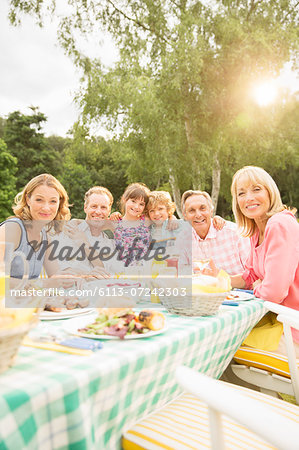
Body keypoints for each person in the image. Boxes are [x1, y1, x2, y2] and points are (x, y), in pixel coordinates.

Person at [228, 165, 299, 356]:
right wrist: (219, 279)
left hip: (293, 327)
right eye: (241, 193)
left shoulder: (279, 223)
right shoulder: (257, 229)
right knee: (224, 338)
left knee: (224, 347)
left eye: (256, 189)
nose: (248, 197)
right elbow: (251, 275)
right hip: (280, 320)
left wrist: (259, 287)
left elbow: (273, 292)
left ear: (270, 192)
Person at [0, 173, 73, 289]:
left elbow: (55, 277)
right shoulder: (12, 229)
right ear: (28, 200)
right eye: (39, 200)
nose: (46, 207)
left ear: (59, 203)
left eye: (53, 201)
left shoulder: (45, 237)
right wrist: (40, 284)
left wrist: (73, 277)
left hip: (26, 303)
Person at [176, 190, 250, 275]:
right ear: (185, 215)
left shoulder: (235, 233)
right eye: (192, 210)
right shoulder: (182, 241)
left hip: (237, 288)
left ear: (211, 210)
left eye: (202, 208)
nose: (198, 215)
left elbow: (253, 275)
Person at [59, 186, 114, 277]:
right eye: (94, 206)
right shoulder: (70, 230)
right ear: (85, 208)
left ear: (109, 211)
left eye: (103, 207)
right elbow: (59, 268)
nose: (98, 211)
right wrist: (85, 275)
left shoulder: (109, 242)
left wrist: (84, 243)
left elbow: (106, 273)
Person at [114, 183, 151, 267]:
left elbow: (163, 216)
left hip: (143, 269)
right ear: (124, 199)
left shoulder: (146, 220)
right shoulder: (116, 222)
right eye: (133, 201)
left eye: (141, 204)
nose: (136, 206)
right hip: (122, 269)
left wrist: (172, 218)